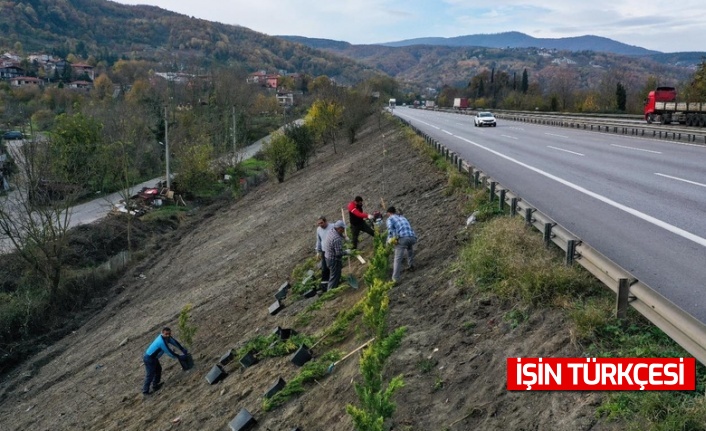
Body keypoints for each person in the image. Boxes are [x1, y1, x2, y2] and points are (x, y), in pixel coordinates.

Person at [142, 327, 188, 395]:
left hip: (154, 358)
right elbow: (169, 352)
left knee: (158, 370)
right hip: (149, 358)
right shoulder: (161, 341)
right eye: (166, 334)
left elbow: (174, 342)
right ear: (162, 332)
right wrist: (179, 357)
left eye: (169, 334)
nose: (168, 335)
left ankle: (155, 385)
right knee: (150, 374)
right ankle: (145, 391)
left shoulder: (167, 338)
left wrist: (182, 349)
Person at [386, 206, 418, 284]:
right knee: (409, 248)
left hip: (403, 239)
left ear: (389, 213)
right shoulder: (403, 217)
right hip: (412, 238)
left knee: (397, 259)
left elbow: (390, 229)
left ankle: (395, 279)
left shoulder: (390, 219)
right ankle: (411, 265)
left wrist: (391, 239)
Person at [323, 220, 350, 290]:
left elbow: (339, 233)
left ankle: (335, 287)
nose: (344, 230)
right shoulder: (336, 239)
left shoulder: (331, 231)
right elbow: (338, 254)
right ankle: (331, 291)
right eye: (342, 229)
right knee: (334, 276)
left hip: (327, 257)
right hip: (333, 260)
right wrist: (346, 252)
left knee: (336, 274)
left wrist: (344, 237)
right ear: (339, 228)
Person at [315, 216, 334, 290]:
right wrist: (318, 251)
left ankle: (333, 282)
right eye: (319, 223)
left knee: (332, 266)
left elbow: (341, 230)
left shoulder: (332, 226)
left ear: (326, 221)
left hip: (332, 250)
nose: (320, 225)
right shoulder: (319, 229)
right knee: (324, 267)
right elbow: (319, 240)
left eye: (322, 223)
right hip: (324, 250)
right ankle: (324, 284)